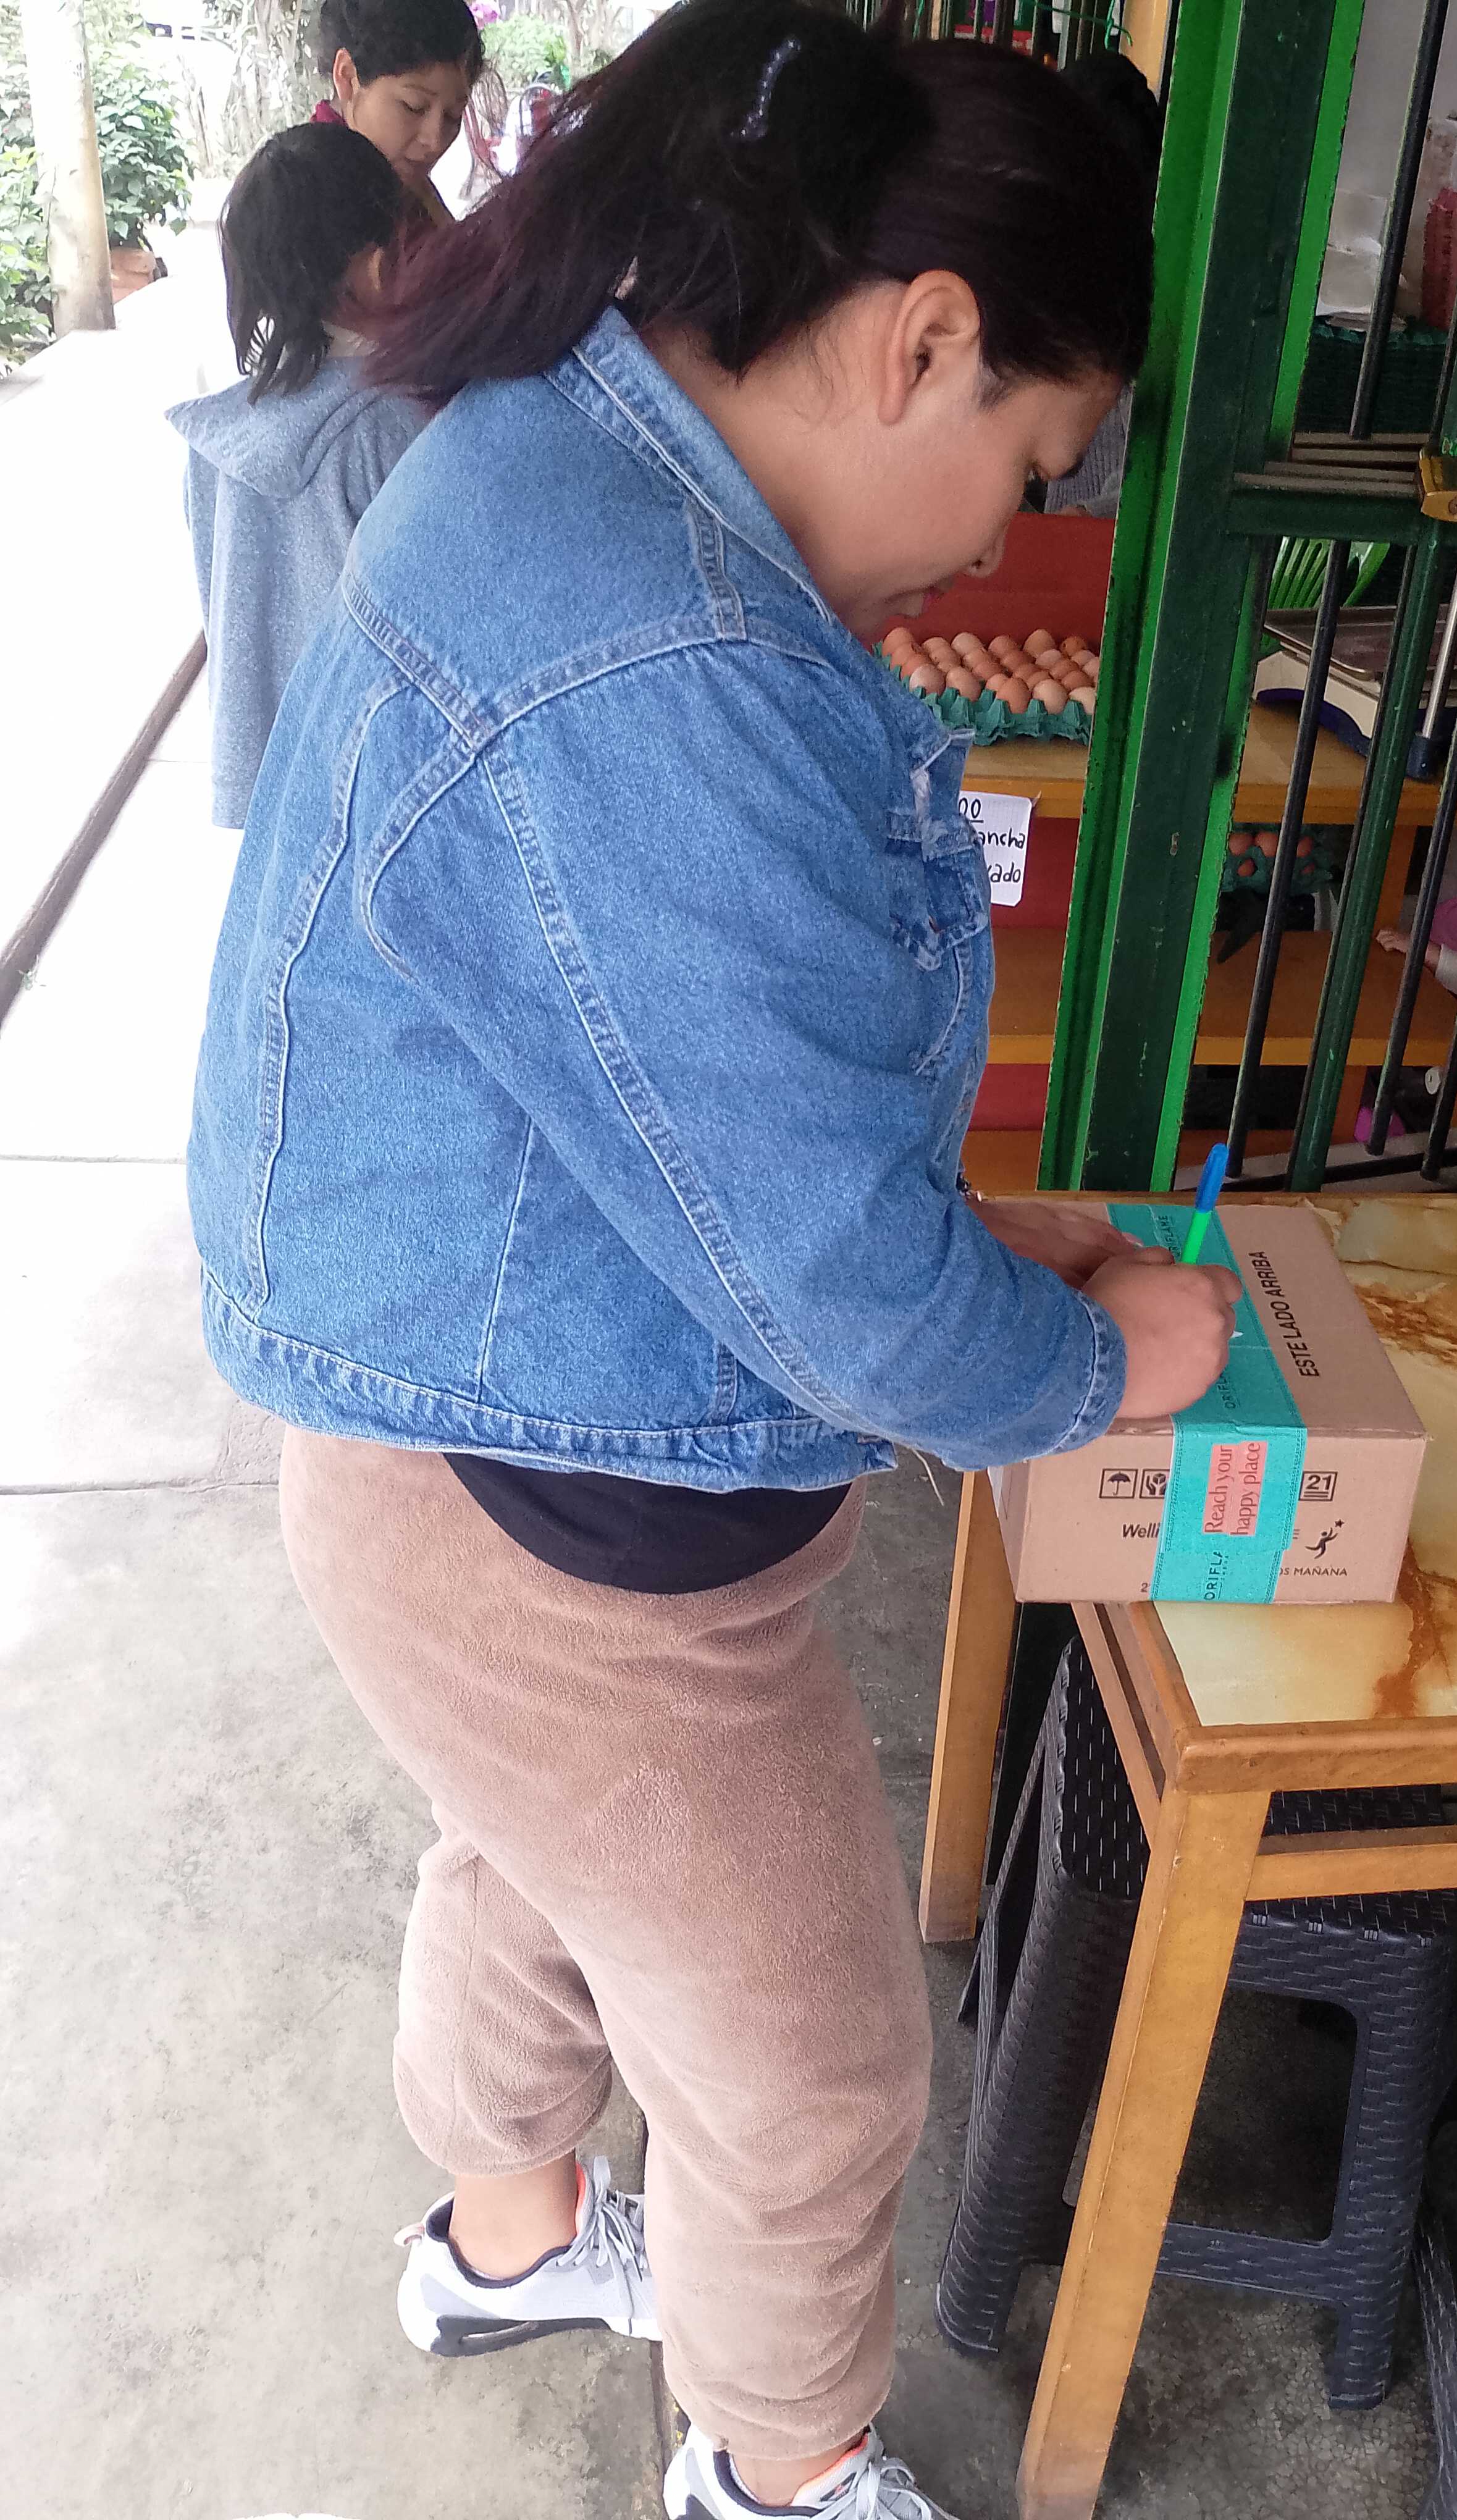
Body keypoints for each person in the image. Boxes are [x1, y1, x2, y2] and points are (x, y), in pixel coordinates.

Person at [187, 5, 1239, 2515]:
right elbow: (847, 1304)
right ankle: (777, 2471)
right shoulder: (656, 651)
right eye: (1028, 460)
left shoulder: (580, 456)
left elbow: (678, 1096)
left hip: (471, 1409)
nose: (994, 538)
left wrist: (987, 1243)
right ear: (924, 338)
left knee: (545, 1862)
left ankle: (508, 2237)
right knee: (814, 2081)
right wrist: (1098, 1361)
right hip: (545, 1518)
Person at [169, 122, 427, 831]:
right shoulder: (390, 426)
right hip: (376, 783)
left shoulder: (214, 442)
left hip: (268, 785)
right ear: (380, 265)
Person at [1042, 47, 1162, 520]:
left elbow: (1171, 479)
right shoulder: (1084, 272)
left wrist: (1086, 517)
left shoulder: (1150, 294)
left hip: (1103, 540)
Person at [310, 0, 484, 233]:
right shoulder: (314, 202)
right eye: (414, 107)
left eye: (454, 115)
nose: (435, 142)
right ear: (348, 77)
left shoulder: (397, 179)